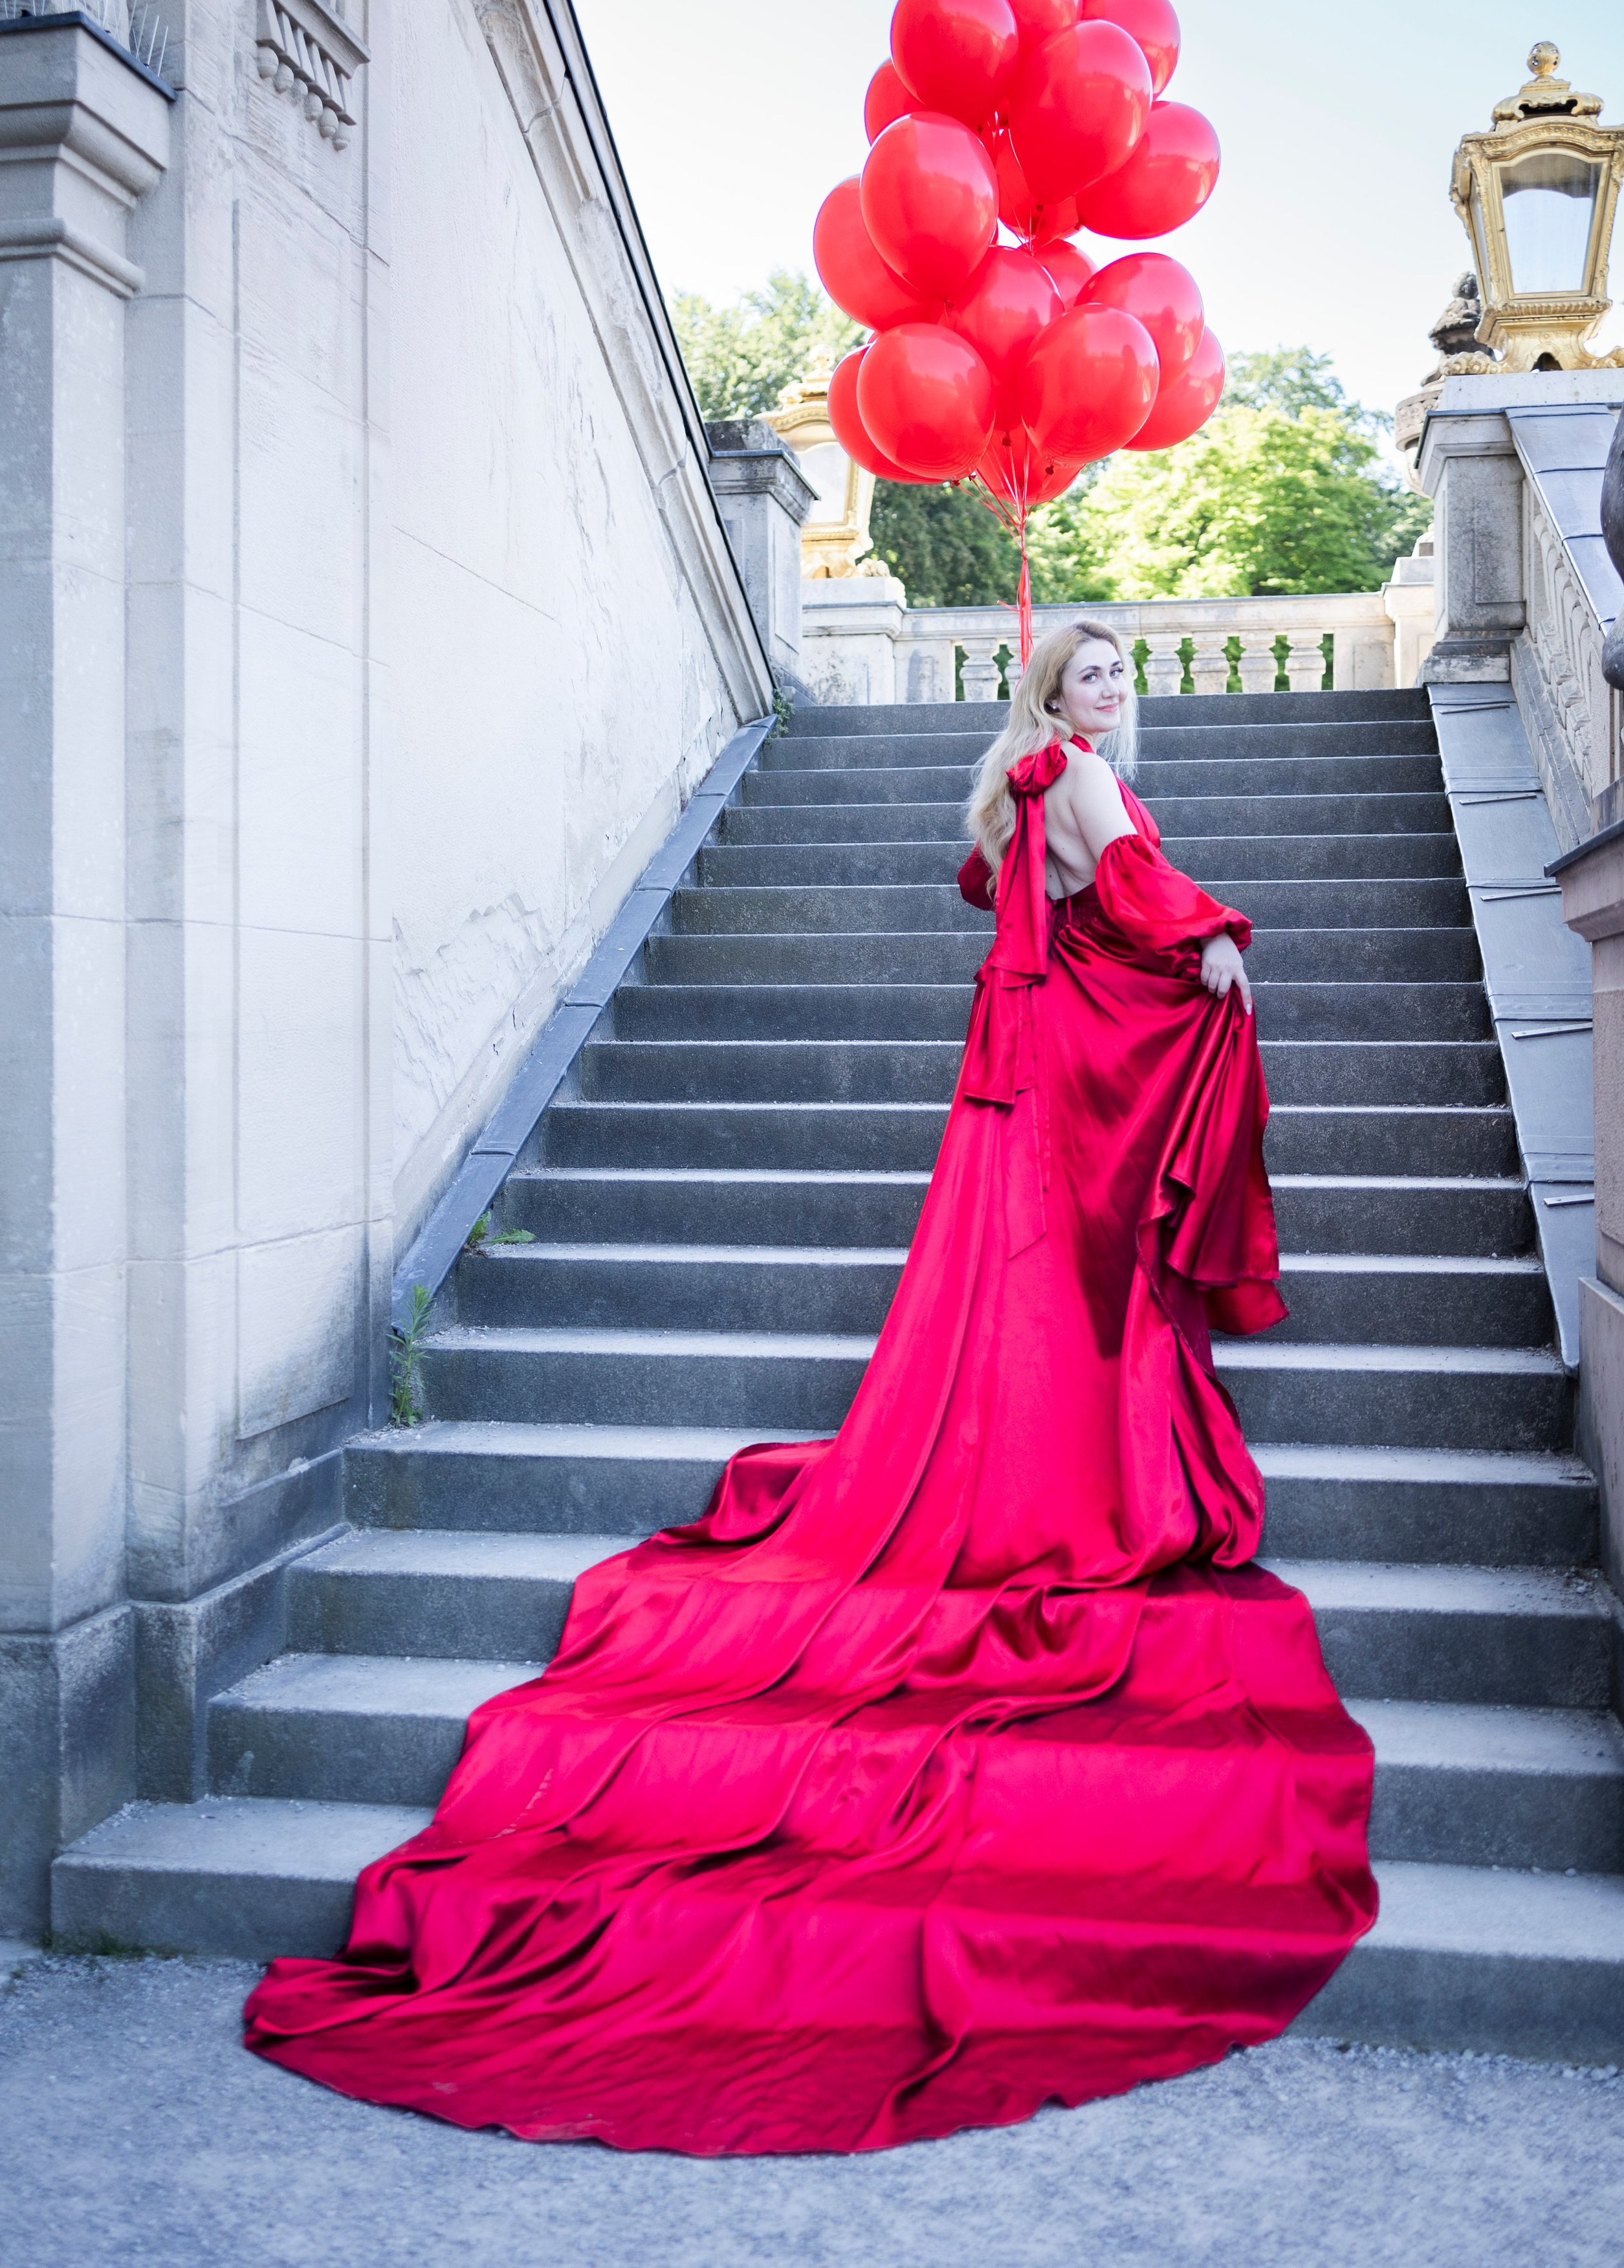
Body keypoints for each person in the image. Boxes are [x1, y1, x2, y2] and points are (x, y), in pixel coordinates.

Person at [245, 617, 1376, 2155]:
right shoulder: (1080, 780)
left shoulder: (1028, 781)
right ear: (1050, 691)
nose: (1113, 692)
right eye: (1091, 675)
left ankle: (1036, 1446)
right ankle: (1075, 1466)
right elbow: (1128, 894)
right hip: (1068, 1053)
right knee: (1075, 1270)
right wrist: (1217, 937)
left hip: (1027, 1048)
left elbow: (995, 888)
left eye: (1121, 676)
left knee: (1037, 1272)